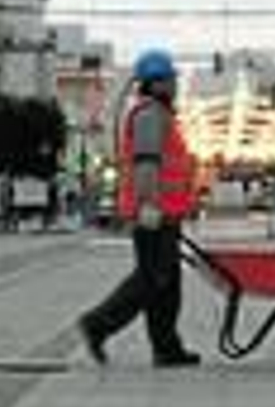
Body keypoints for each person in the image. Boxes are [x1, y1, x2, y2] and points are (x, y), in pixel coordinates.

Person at [77, 49, 201, 368]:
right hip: (153, 214)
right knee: (151, 280)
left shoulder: (161, 114)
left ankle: (167, 348)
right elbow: (146, 163)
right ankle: (97, 324)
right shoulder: (149, 115)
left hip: (165, 214)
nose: (175, 84)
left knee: (167, 284)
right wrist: (148, 205)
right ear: (156, 83)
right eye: (171, 79)